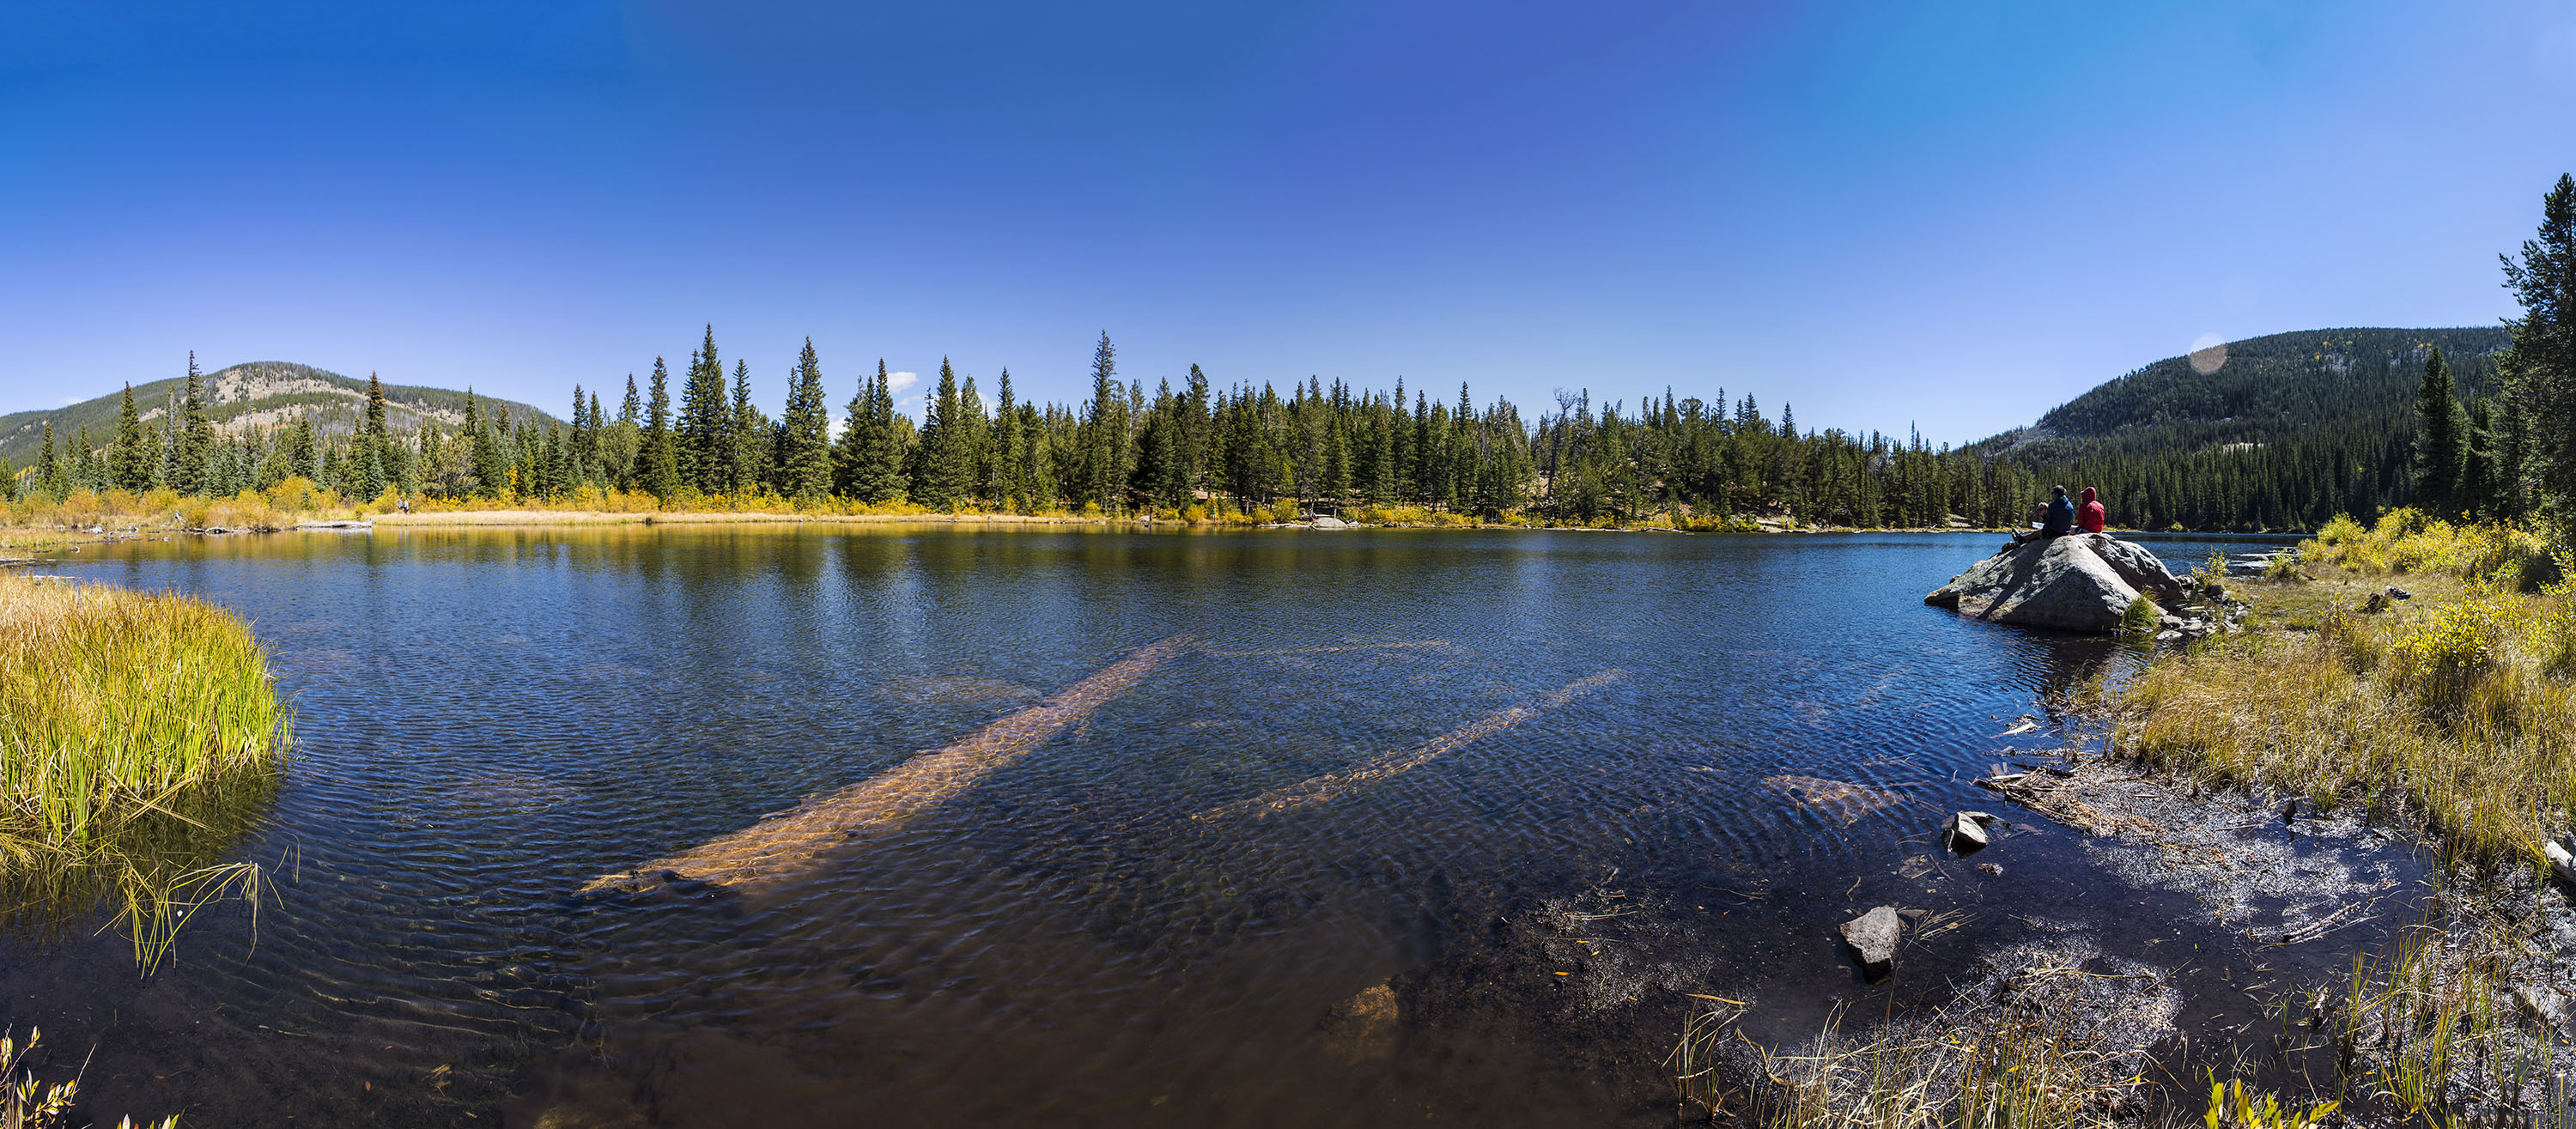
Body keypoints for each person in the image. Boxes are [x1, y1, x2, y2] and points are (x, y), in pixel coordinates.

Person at [2012, 485, 2076, 545]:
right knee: (2039, 533)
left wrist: (2043, 532)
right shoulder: (2070, 505)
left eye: (2053, 493)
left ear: (2056, 494)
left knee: (2036, 533)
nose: (2052, 495)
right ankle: (2022, 538)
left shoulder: (2053, 505)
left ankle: (2021, 540)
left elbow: (2048, 522)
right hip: (2066, 532)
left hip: (2055, 533)